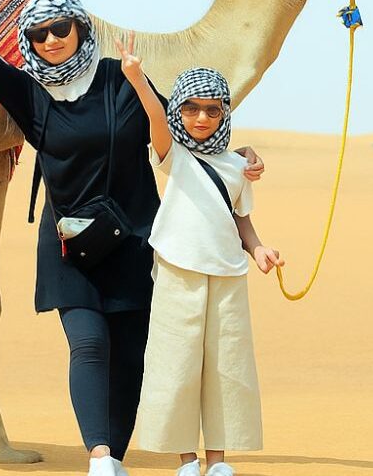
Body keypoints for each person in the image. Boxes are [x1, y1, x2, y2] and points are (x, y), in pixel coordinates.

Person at [0, 0, 265, 476]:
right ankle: (99, 456)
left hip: (136, 242)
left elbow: (185, 131)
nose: (52, 39)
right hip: (70, 245)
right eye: (39, 33)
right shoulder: (30, 95)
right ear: (29, 42)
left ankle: (116, 457)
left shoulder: (119, 79)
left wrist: (240, 154)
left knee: (130, 354)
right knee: (88, 341)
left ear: (80, 28)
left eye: (62, 28)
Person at [116, 55, 284, 476]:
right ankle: (186, 460)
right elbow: (155, 117)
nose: (201, 117)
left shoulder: (237, 165)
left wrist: (259, 249)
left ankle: (218, 462)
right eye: (189, 108)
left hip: (227, 272)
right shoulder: (173, 155)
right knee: (178, 363)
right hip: (177, 270)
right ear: (178, 111)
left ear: (225, 112)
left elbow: (240, 216)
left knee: (227, 366)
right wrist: (136, 78)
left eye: (212, 109)